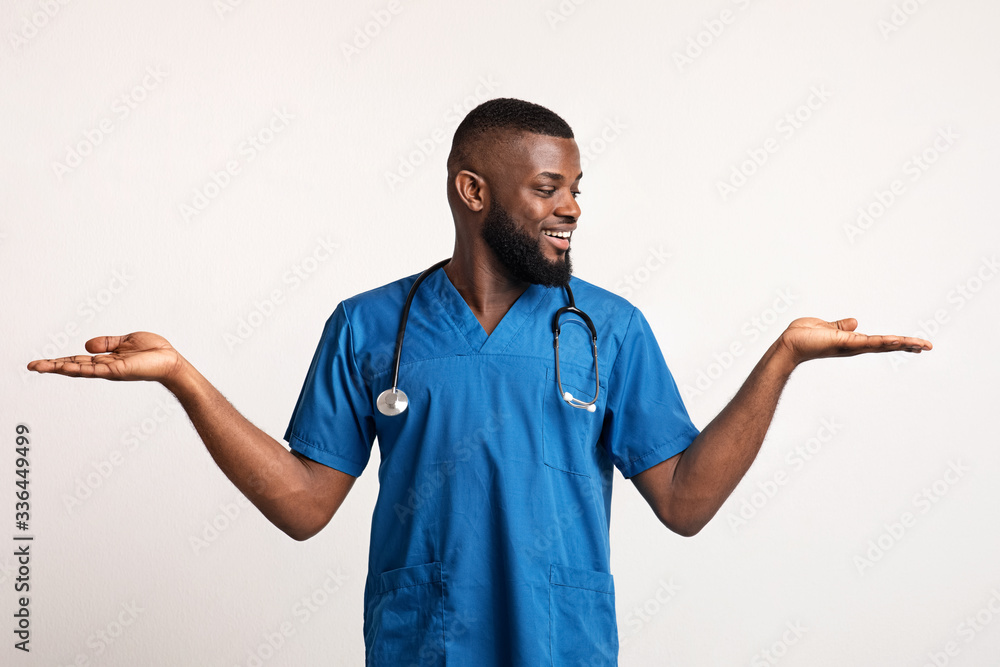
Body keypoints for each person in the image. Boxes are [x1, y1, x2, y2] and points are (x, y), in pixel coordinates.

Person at [28, 98, 932, 666]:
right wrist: (183, 378)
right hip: (427, 648)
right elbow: (305, 504)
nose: (572, 206)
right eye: (547, 188)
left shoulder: (606, 327)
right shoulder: (371, 326)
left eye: (577, 188)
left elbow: (685, 501)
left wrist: (781, 361)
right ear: (473, 190)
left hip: (565, 650)